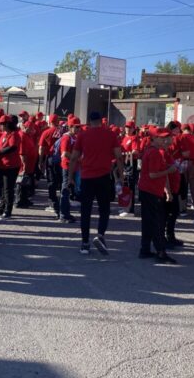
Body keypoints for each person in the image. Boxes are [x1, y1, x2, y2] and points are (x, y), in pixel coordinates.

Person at [68, 111, 124, 255]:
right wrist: (121, 176)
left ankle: (85, 243)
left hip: (87, 177)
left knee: (86, 210)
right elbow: (118, 156)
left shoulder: (83, 135)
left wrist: (70, 177)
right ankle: (100, 235)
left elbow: (74, 157)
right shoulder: (110, 134)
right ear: (101, 121)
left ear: (89, 121)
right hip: (103, 177)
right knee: (104, 209)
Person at [137, 128, 177, 264]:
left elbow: (156, 172)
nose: (164, 140)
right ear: (154, 138)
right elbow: (153, 174)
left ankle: (145, 249)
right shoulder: (154, 152)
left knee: (148, 222)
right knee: (157, 222)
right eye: (161, 137)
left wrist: (167, 190)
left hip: (148, 190)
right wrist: (169, 170)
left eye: (164, 137)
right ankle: (160, 252)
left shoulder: (153, 151)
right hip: (151, 191)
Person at [0, 115, 22, 219]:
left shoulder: (14, 134)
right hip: (2, 165)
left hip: (11, 165)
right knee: (3, 189)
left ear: (7, 124)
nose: (0, 126)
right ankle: (1, 208)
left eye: (1, 124)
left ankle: (7, 211)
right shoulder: (4, 134)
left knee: (8, 189)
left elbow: (13, 147)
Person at [59, 117, 80, 223]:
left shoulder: (74, 137)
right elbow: (64, 153)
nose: (78, 129)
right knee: (65, 190)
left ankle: (66, 213)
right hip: (67, 167)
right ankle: (63, 215)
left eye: (79, 127)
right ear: (70, 127)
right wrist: (76, 158)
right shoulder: (66, 137)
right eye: (76, 127)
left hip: (73, 167)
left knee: (69, 191)